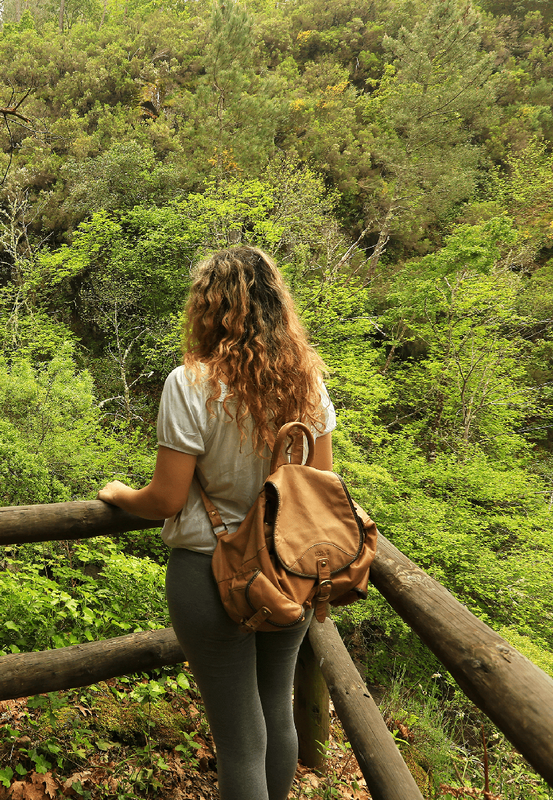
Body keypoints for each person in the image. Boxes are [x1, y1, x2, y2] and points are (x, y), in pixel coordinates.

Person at [97, 245, 336, 800]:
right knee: (276, 711)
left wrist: (117, 493)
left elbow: (165, 498)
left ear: (210, 308)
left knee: (238, 735)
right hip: (290, 571)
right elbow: (318, 489)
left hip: (210, 572)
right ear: (277, 304)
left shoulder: (190, 384)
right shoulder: (308, 383)